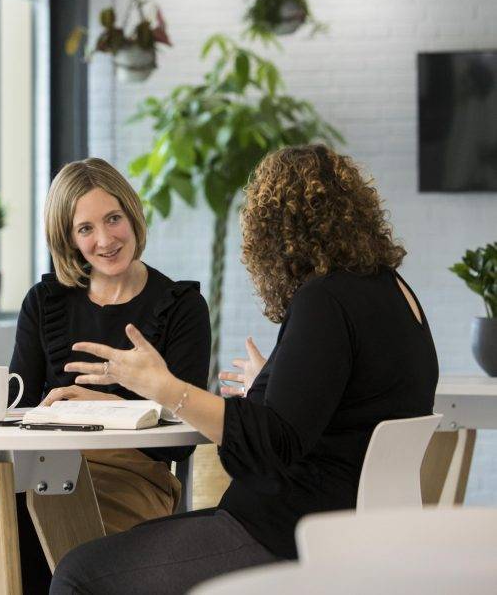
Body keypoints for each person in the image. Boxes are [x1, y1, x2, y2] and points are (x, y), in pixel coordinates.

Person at [50, 144, 439, 595]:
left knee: (79, 573)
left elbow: (273, 446)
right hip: (355, 527)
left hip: (289, 532)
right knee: (127, 550)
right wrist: (271, 385)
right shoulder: (394, 290)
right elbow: (344, 404)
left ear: (275, 230)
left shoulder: (325, 299)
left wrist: (164, 387)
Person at [0, 157, 210, 595]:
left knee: (6, 542)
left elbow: (183, 440)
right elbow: (20, 406)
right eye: (85, 229)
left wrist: (114, 411)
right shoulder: (45, 301)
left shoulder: (180, 305)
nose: (105, 240)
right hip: (38, 466)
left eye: (113, 219)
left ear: (132, 215)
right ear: (67, 237)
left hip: (128, 479)